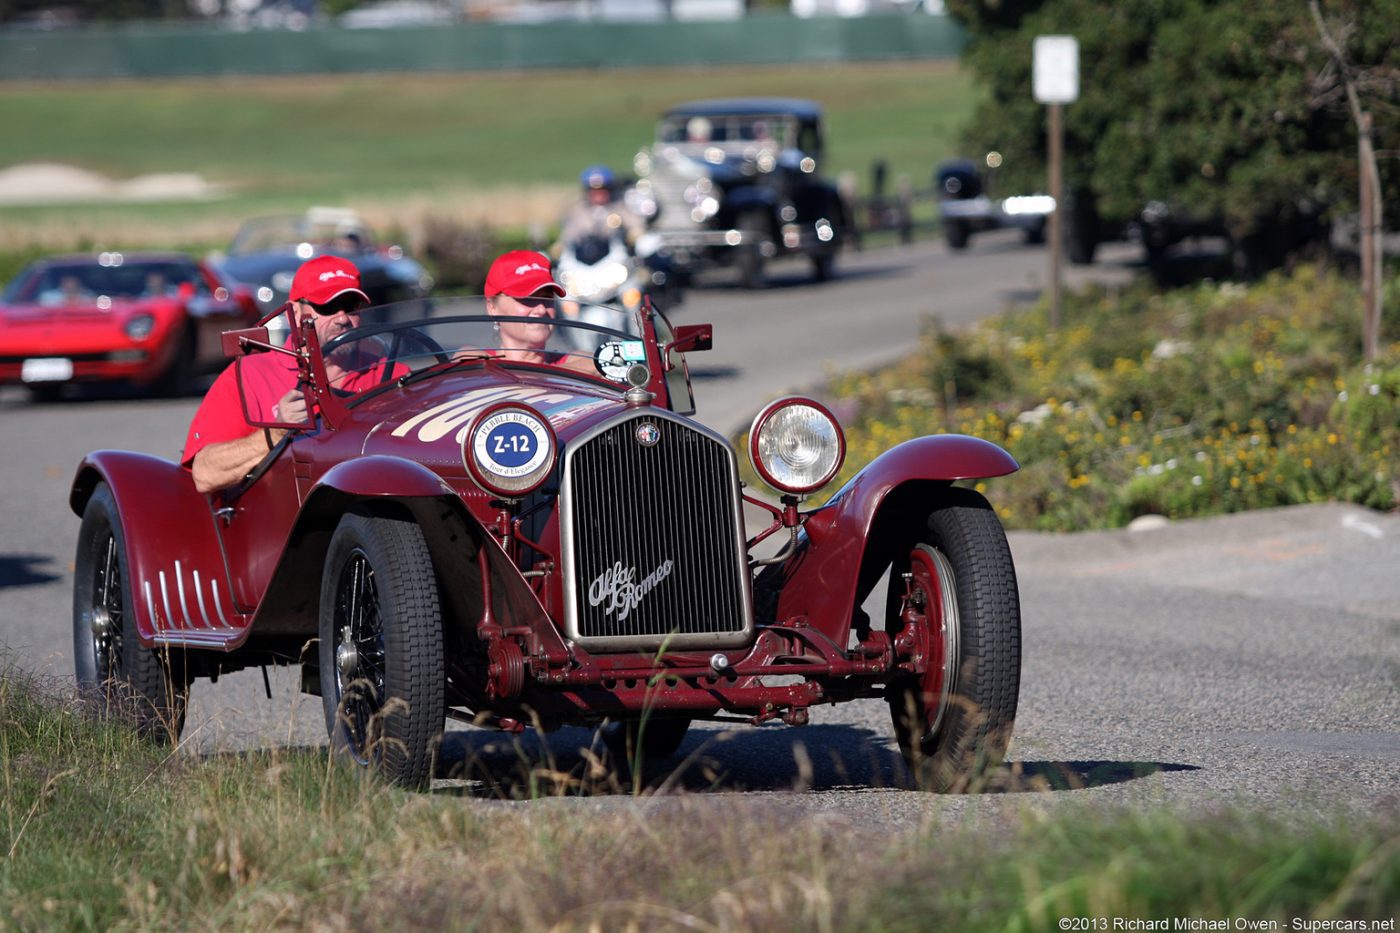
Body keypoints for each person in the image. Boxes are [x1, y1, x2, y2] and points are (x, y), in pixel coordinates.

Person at [182, 255, 379, 494]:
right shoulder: (249, 375)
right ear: (294, 313)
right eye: (326, 307)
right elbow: (205, 474)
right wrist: (277, 432)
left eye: (351, 306)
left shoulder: (389, 370)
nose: (342, 319)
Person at [473, 250, 596, 376]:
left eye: (547, 298)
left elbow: (600, 362)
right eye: (527, 298)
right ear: (492, 308)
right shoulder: (473, 362)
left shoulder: (580, 361)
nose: (541, 310)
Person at [554, 165, 647, 252]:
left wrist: (634, 235)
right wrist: (560, 247)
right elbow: (568, 235)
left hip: (615, 256)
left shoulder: (619, 207)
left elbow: (636, 225)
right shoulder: (578, 211)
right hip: (586, 258)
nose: (598, 194)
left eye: (603, 189)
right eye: (594, 190)